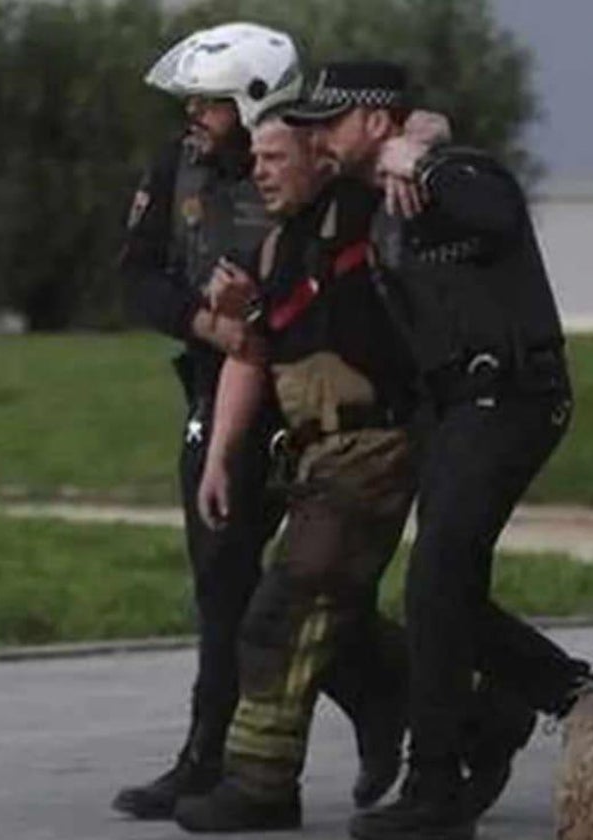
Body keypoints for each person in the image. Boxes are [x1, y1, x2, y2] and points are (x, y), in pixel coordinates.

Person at [283, 62, 593, 840]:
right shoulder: (367, 196)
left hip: (512, 398)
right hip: (454, 409)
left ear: (376, 121)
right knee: (440, 588)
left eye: (329, 121)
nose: (315, 135)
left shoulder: (454, 175)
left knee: (435, 580)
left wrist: (421, 155)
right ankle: (547, 697)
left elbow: (495, 210)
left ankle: (441, 783)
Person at [113, 27, 401, 821]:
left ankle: (398, 706)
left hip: (313, 397)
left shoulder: (314, 162)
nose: (194, 116)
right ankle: (211, 756)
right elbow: (136, 276)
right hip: (224, 384)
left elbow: (405, 135)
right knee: (225, 581)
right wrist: (208, 326)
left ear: (251, 105)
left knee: (301, 583)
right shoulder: (178, 168)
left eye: (207, 102)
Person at [171, 113, 418, 833]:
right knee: (320, 615)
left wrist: (413, 146)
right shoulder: (280, 246)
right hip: (313, 455)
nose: (260, 170)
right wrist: (219, 458)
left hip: (370, 446)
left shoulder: (371, 215)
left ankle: (261, 786)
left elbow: (426, 129)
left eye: (276, 156)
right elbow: (253, 352)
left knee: (285, 609)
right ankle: (471, 708)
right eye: (255, 157)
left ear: (320, 154)